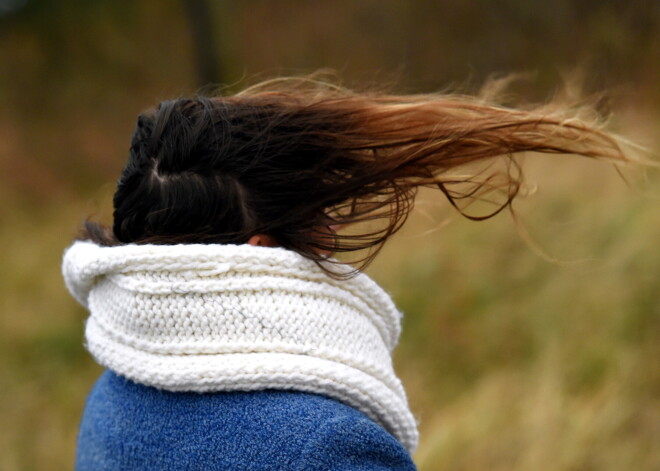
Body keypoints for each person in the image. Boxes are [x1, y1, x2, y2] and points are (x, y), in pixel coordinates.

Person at [62, 76, 633, 470]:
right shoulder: (327, 448)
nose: (331, 235)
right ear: (261, 253)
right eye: (318, 218)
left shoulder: (109, 401)